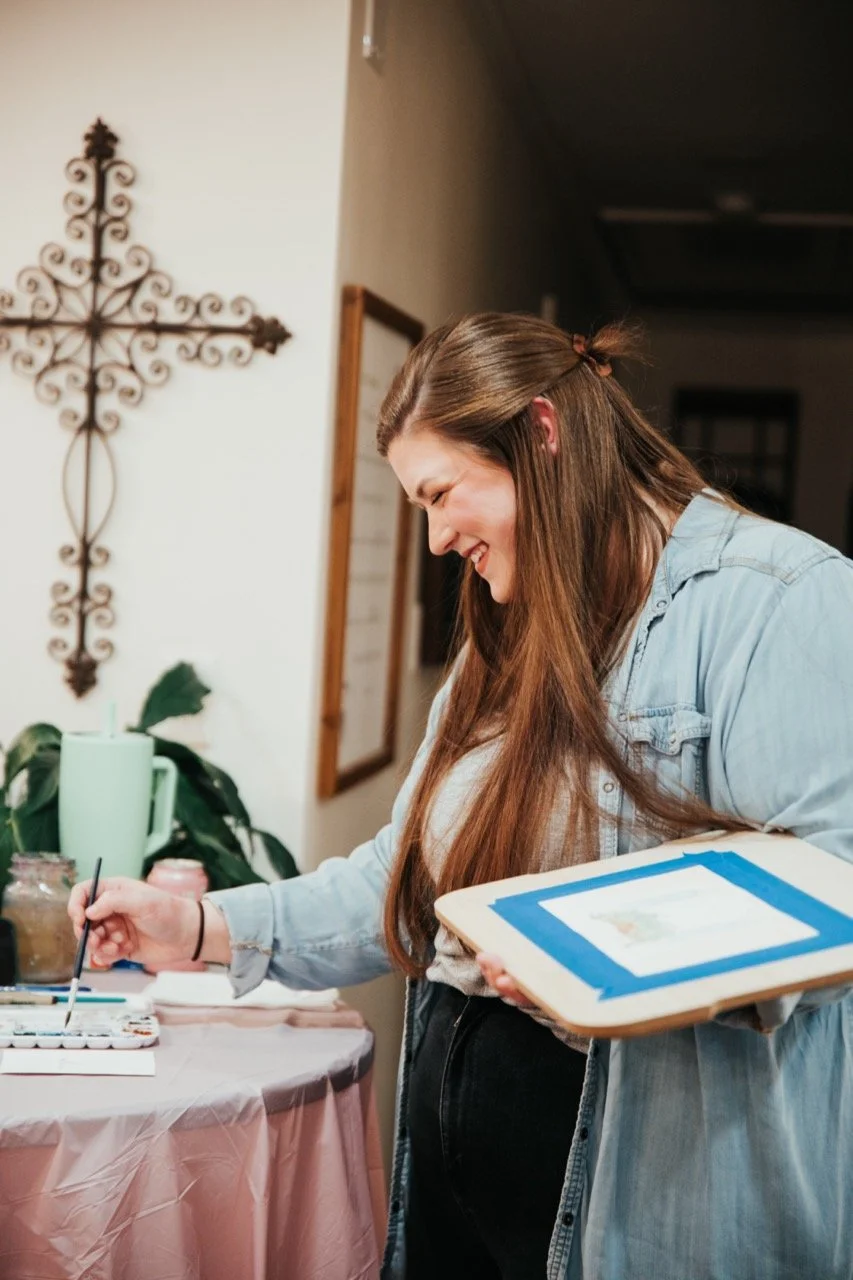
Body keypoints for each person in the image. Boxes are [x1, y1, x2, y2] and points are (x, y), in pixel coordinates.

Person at [69, 314, 853, 1280]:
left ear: (540, 433)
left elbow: (831, 897)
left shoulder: (778, 599)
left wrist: (604, 959)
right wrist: (189, 926)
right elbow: (401, 885)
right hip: (454, 1211)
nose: (438, 540)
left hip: (639, 1218)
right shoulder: (503, 635)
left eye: (442, 495)